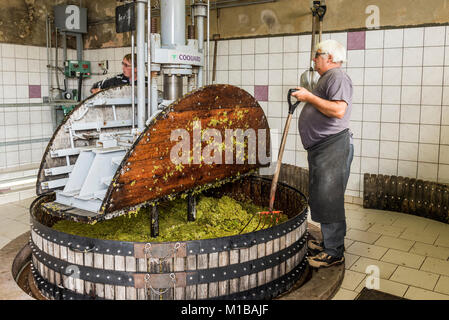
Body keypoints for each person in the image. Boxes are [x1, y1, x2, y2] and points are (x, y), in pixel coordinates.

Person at [292, 39, 353, 268]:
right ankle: (330, 243)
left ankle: (334, 252)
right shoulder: (327, 79)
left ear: (329, 58)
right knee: (323, 196)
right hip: (323, 147)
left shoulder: (337, 77)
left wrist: (308, 97)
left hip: (332, 146)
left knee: (330, 198)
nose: (313, 59)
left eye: (317, 55)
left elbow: (338, 110)